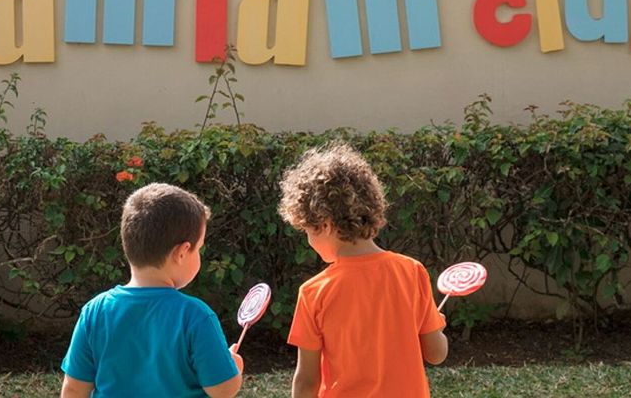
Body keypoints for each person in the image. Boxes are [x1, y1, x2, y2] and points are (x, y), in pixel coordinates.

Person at [278, 144, 448, 398]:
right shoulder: (412, 271)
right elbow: (436, 354)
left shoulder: (313, 292)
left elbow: (306, 381)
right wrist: (438, 327)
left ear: (324, 225)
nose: (308, 241)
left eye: (307, 232)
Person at [61, 183, 244, 398]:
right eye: (199, 248)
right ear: (182, 252)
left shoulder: (95, 311)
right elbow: (222, 390)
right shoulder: (196, 316)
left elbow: (74, 389)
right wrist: (235, 367)